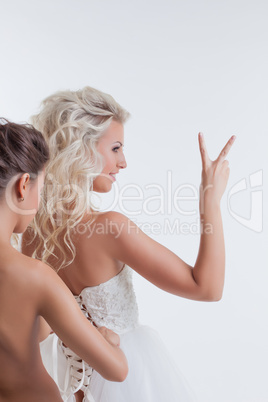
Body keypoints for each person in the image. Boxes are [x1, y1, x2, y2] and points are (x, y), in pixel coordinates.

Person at [22, 86, 235, 402]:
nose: (123, 162)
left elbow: (38, 330)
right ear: (80, 150)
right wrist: (211, 200)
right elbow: (207, 288)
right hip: (128, 378)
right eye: (116, 148)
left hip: (71, 389)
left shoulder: (30, 235)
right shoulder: (111, 229)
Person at [0, 119, 128, 402]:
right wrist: (111, 342)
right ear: (23, 186)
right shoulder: (35, 276)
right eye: (41, 187)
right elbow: (117, 370)